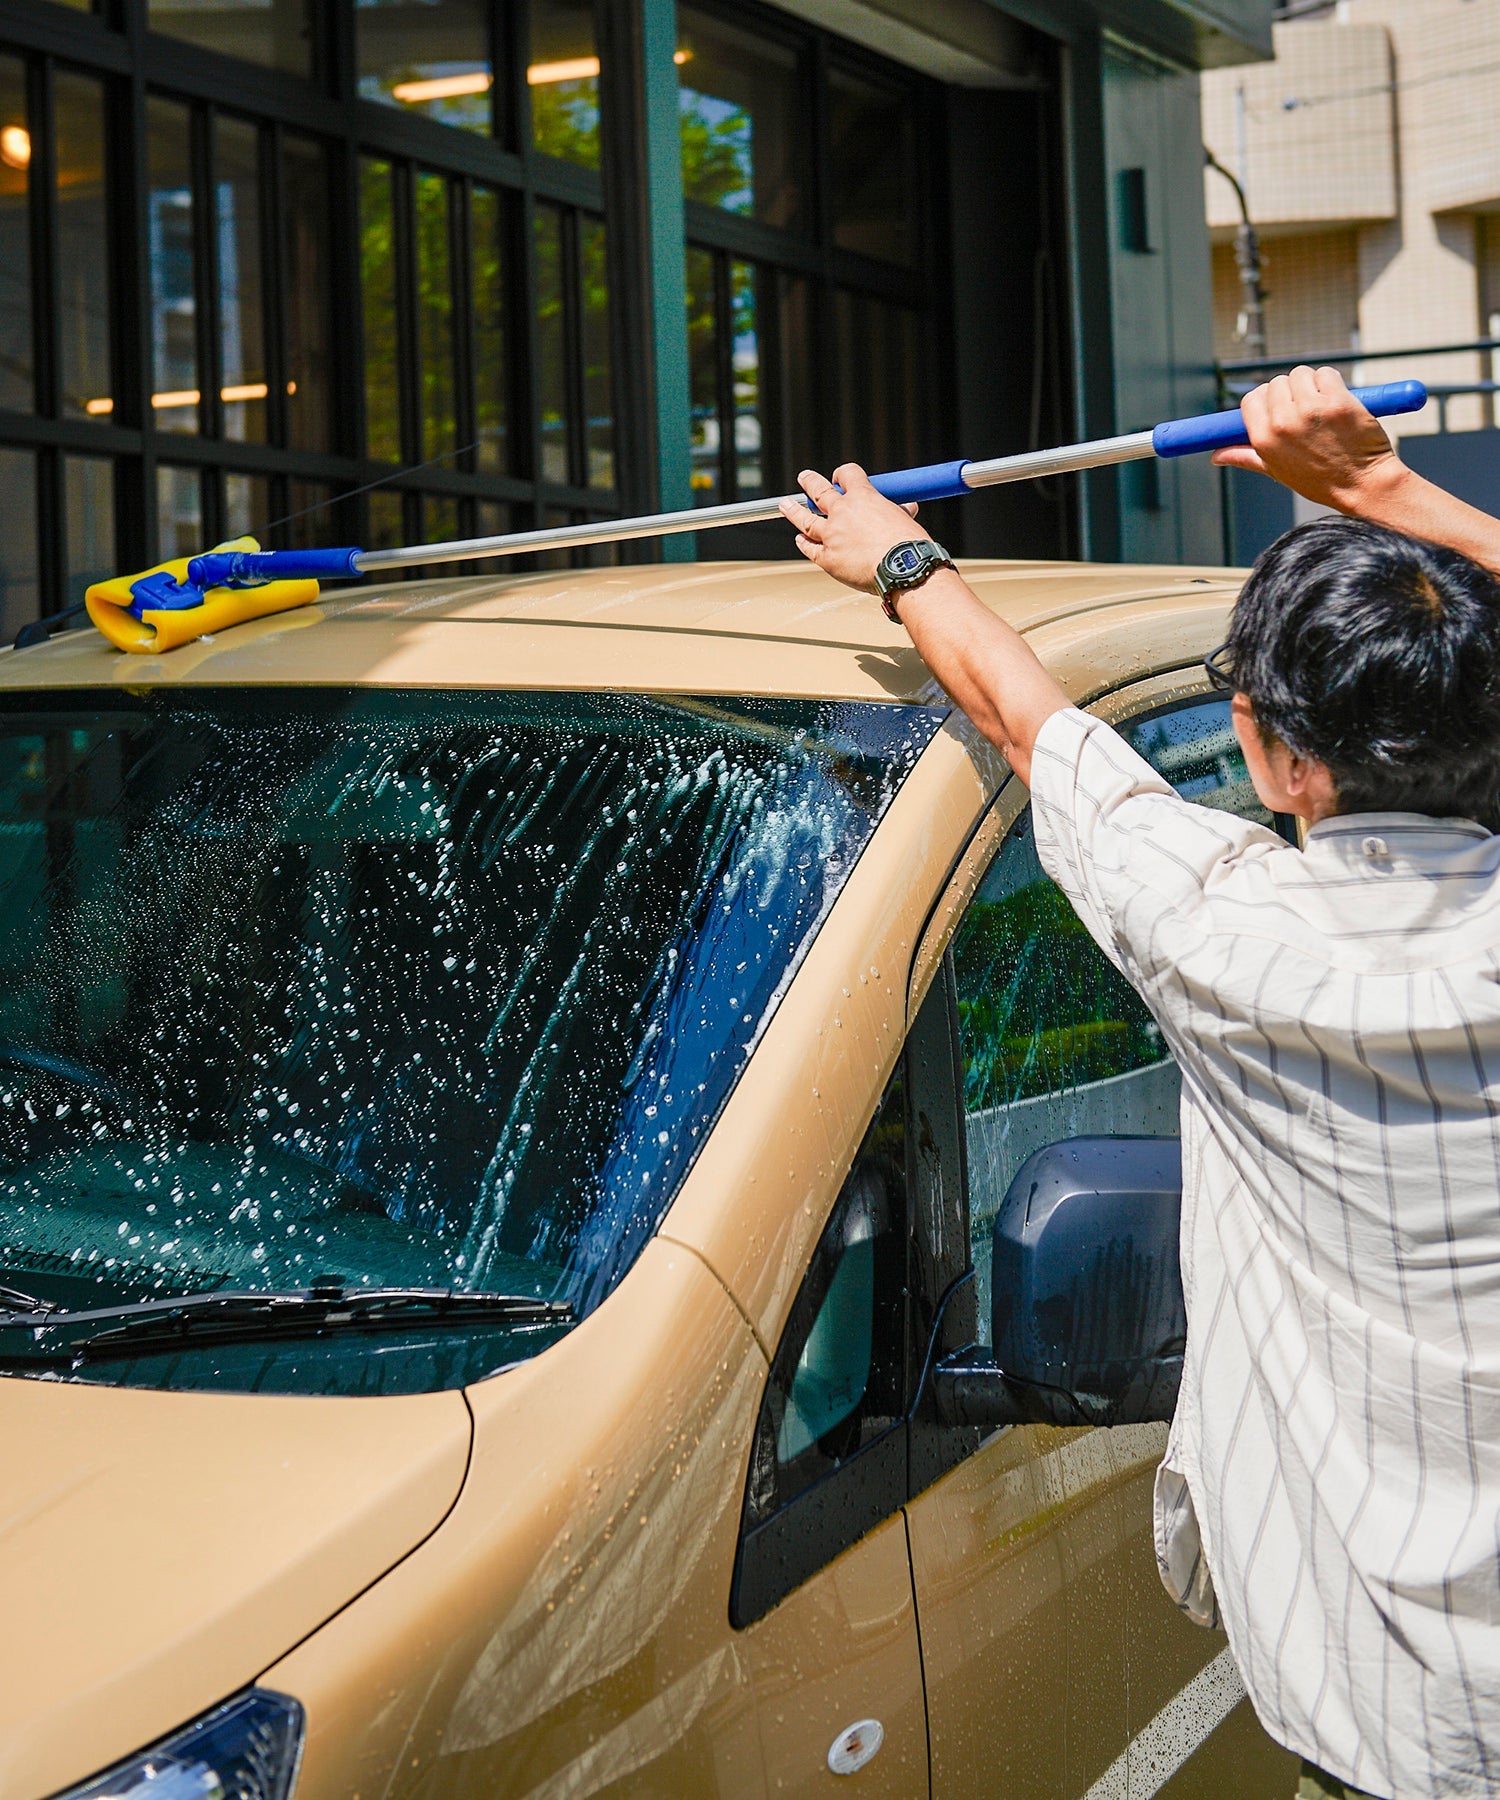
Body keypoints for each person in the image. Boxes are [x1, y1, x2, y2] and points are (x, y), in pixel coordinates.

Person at [779, 369, 1500, 1800]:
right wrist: (1380, 490)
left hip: (1396, 1740)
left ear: (1280, 762)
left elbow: (1019, 713)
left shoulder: (1220, 931)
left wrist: (899, 558)